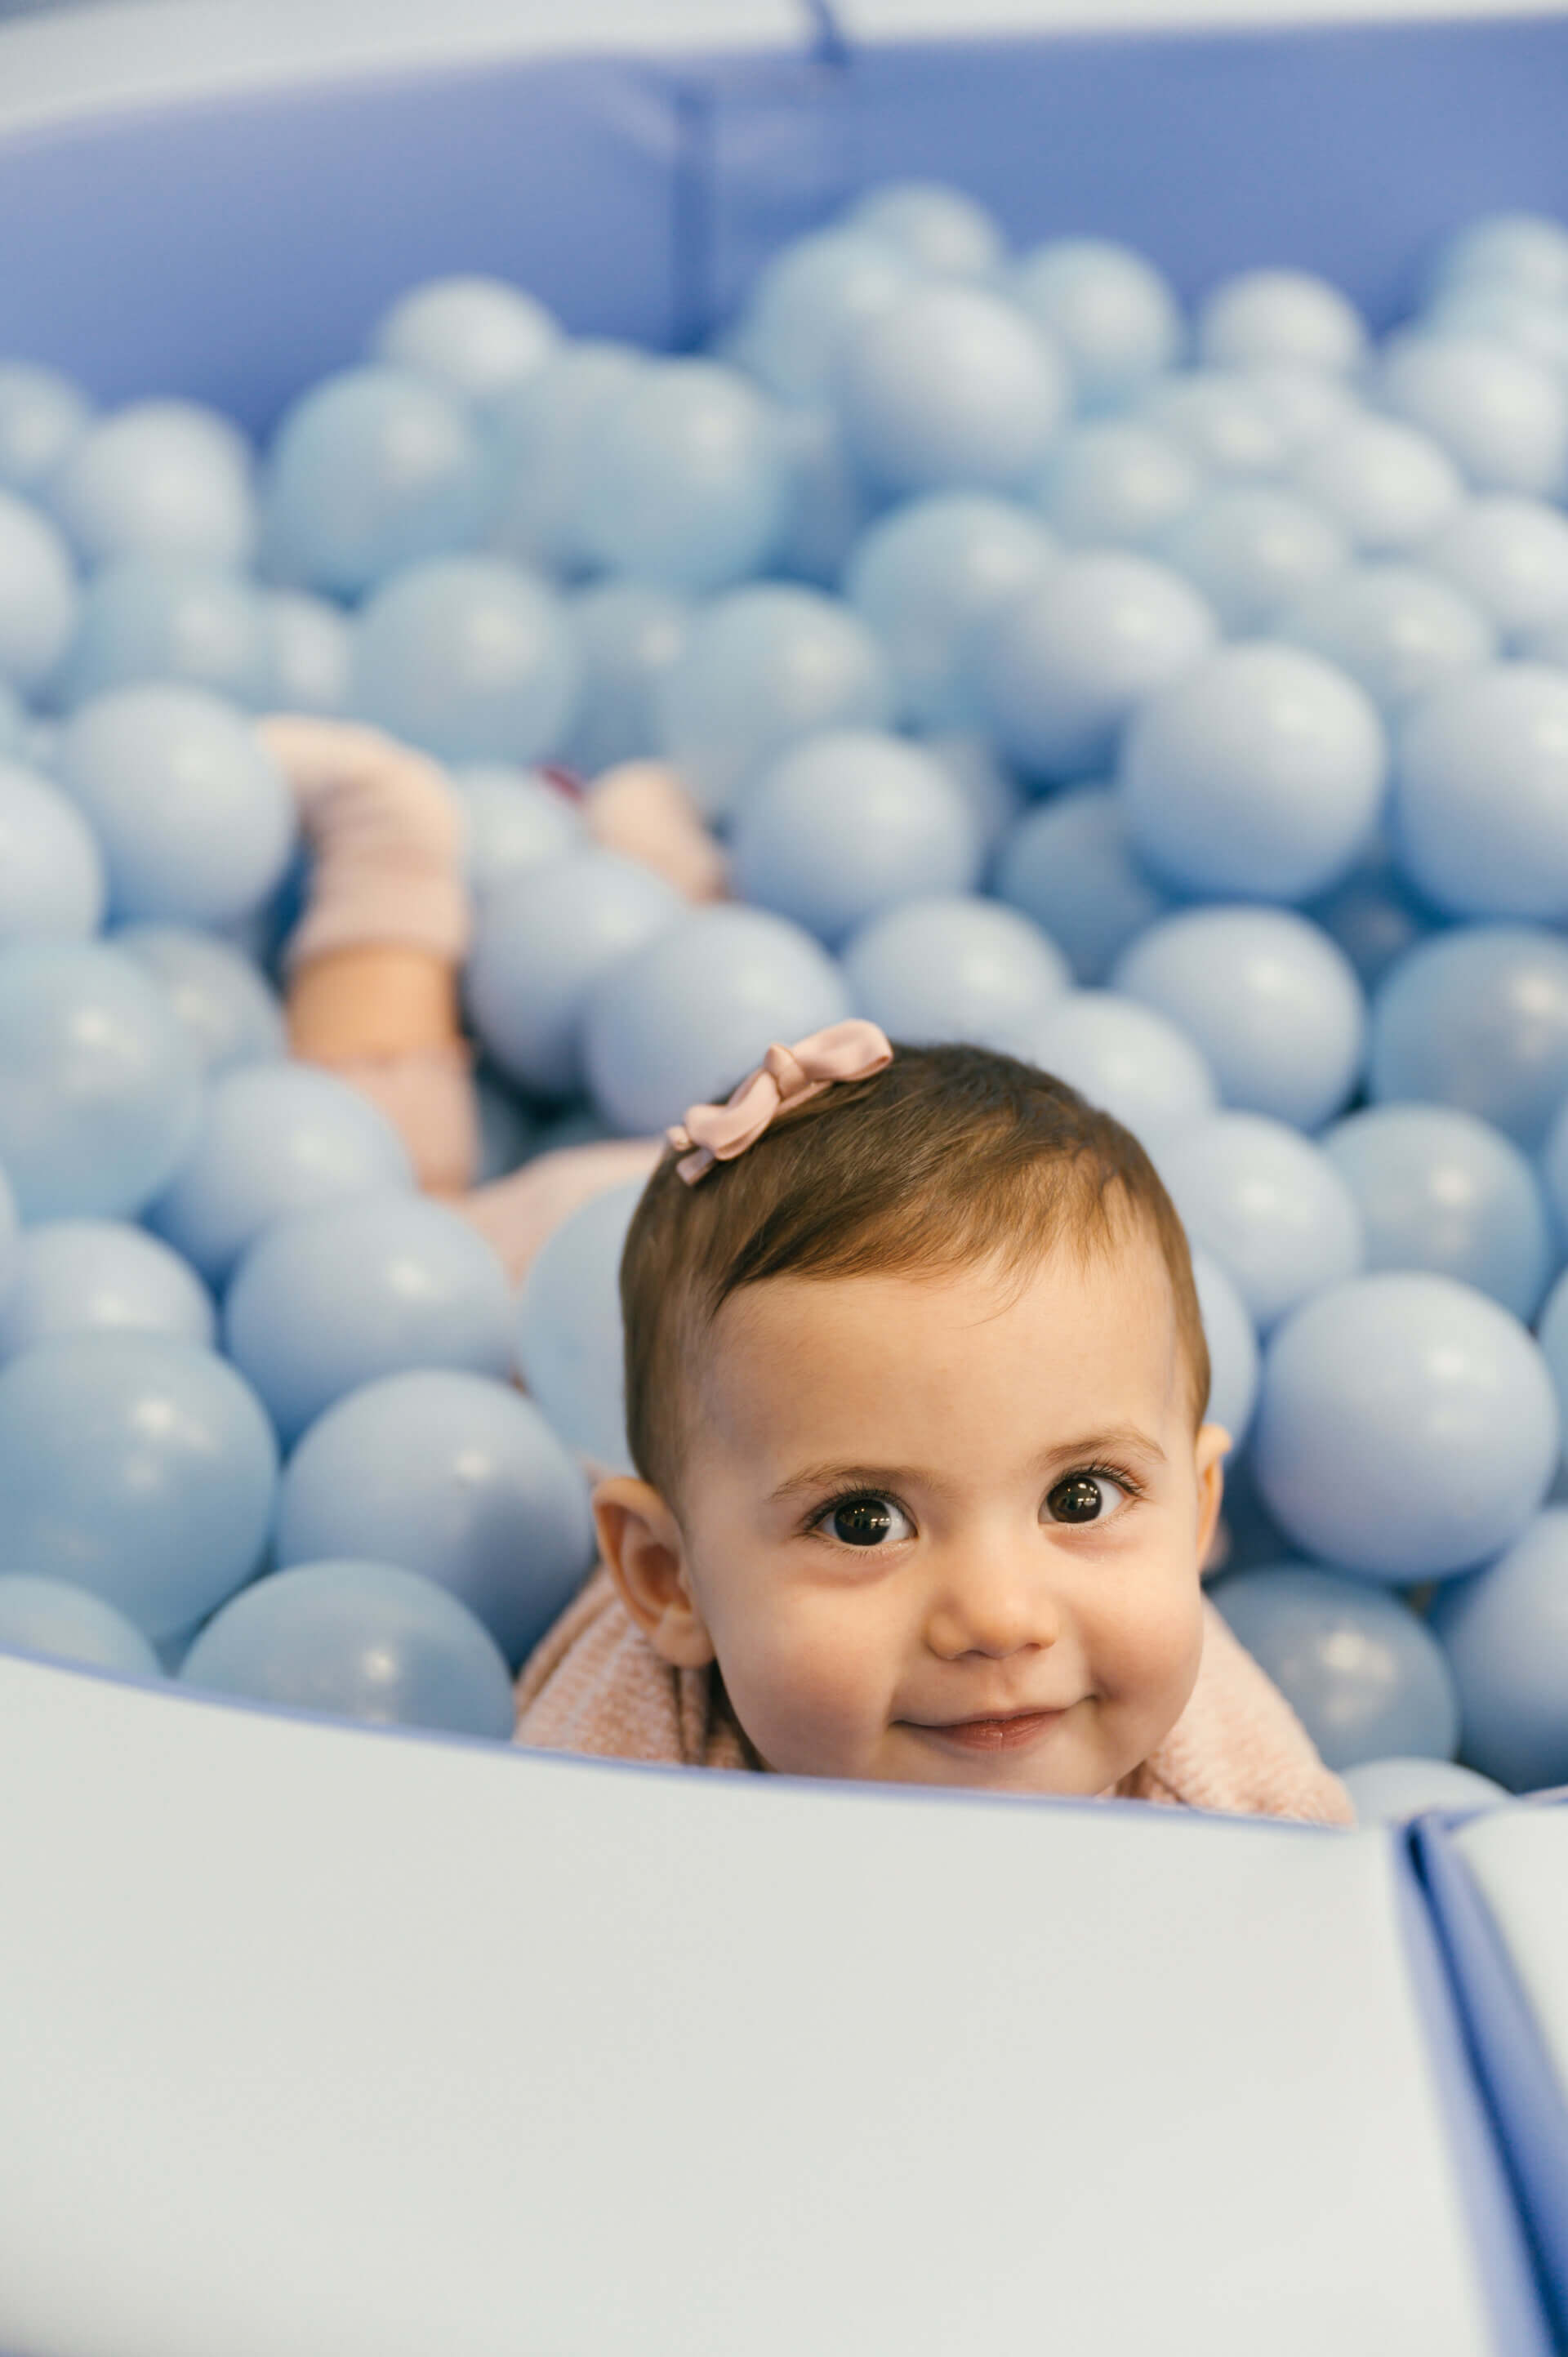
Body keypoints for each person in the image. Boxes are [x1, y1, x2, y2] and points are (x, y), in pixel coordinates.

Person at [265, 715, 1354, 1823]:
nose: (998, 1616)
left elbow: (1316, 1902)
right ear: (668, 1579)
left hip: (762, 1255)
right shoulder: (624, 1767)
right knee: (379, 1194)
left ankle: (680, 886)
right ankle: (396, 835)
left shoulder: (1217, 1779)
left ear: (1196, 1512)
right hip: (546, 1250)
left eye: (1082, 1496)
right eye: (864, 1519)